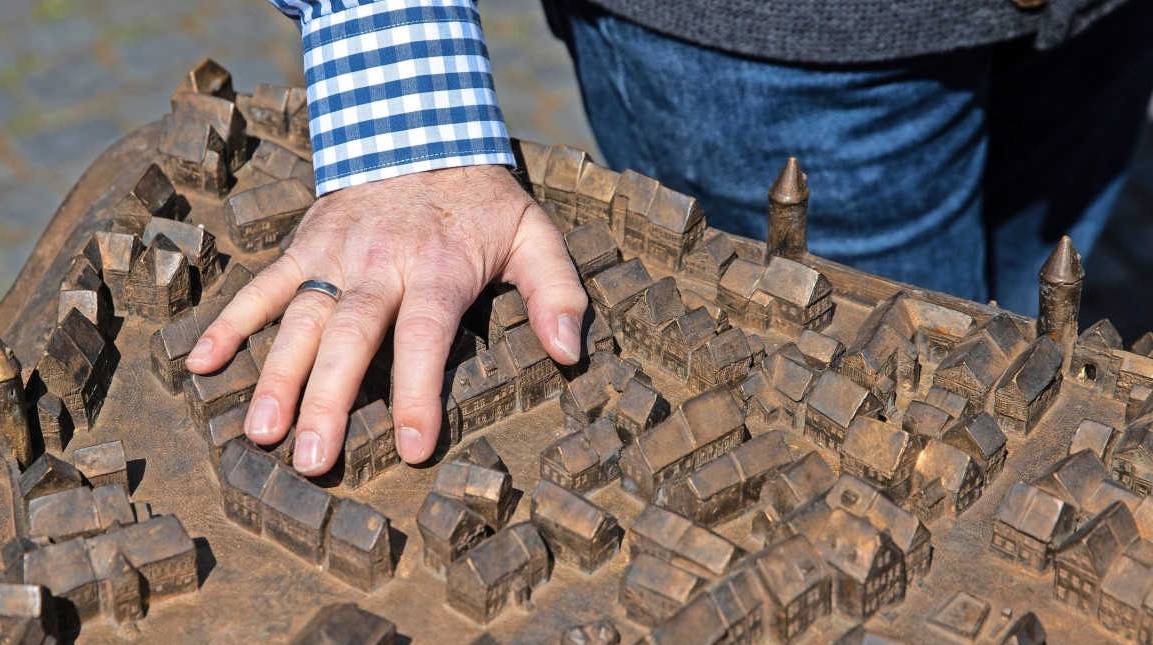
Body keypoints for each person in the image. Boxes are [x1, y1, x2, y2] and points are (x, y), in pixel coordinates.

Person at [187, 0, 1153, 476]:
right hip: (766, 49)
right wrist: (392, 55)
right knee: (895, 447)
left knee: (1017, 344)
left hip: (1105, 26)